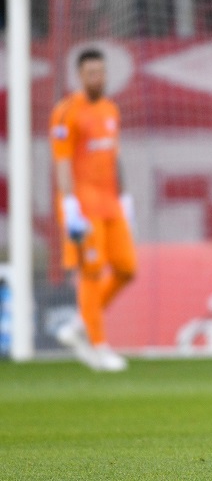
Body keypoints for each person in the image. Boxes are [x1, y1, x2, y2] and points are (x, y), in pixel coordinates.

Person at [50, 48, 137, 372]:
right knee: (91, 272)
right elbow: (62, 162)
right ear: (79, 76)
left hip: (111, 204)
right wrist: (69, 204)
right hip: (83, 207)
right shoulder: (66, 112)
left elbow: (115, 157)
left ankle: (78, 325)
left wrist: (125, 199)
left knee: (127, 268)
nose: (97, 78)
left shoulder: (110, 109)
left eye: (100, 72)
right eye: (90, 73)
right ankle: (98, 347)